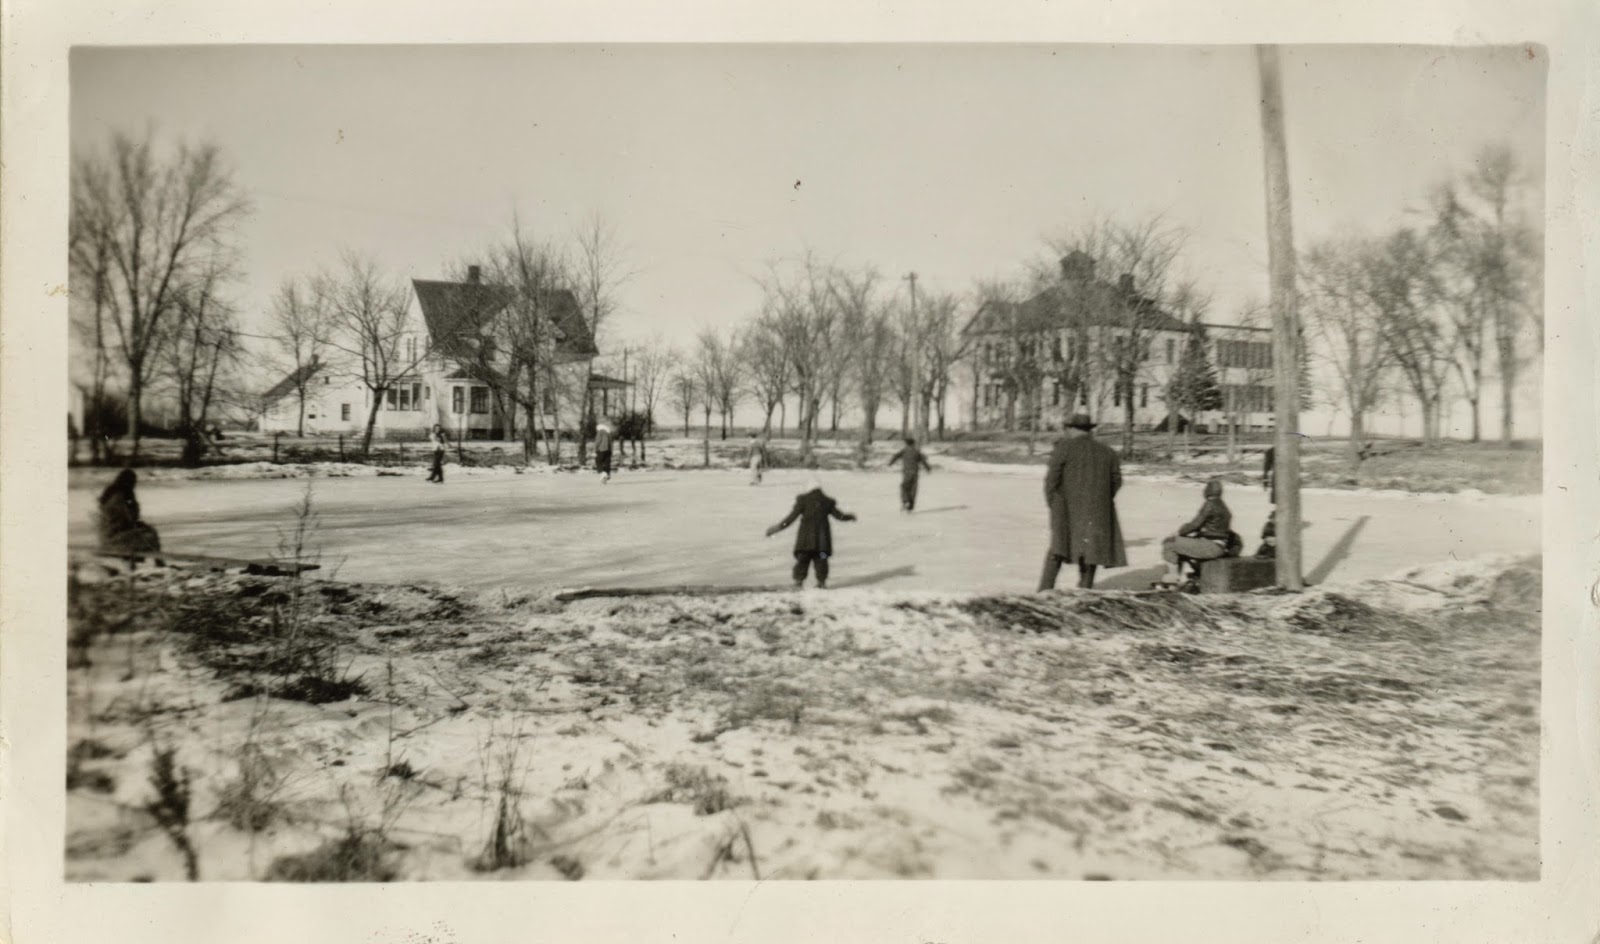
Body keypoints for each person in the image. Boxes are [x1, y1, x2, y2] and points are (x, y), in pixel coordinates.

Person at [1039, 413, 1126, 591]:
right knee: (1091, 550)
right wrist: (1101, 499)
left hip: (1066, 509)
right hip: (1097, 510)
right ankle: (1085, 590)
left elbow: (1051, 482)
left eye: (1067, 428)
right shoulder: (1107, 452)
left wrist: (1054, 504)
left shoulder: (1063, 448)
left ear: (1071, 429)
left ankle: (1044, 591)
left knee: (1058, 547)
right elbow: (1116, 481)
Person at [765, 461, 858, 590]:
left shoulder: (803, 500)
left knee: (803, 560)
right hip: (823, 541)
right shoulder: (827, 502)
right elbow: (839, 516)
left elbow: (791, 518)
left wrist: (777, 528)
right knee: (822, 559)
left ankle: (798, 582)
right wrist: (850, 517)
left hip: (805, 540)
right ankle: (822, 582)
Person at [1156, 479, 1240, 589]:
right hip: (1218, 546)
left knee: (1170, 543)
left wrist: (1179, 532)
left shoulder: (1210, 504)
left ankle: (1172, 580)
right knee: (1181, 546)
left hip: (1210, 545)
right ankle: (1175, 580)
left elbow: (1195, 524)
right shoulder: (1223, 507)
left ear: (1207, 491)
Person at [97, 469, 161, 554]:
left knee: (148, 532)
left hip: (112, 532)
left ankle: (157, 560)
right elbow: (129, 518)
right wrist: (134, 506)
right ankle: (158, 561)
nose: (134, 485)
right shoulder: (118, 498)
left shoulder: (113, 494)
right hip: (114, 535)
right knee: (150, 534)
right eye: (133, 482)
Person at [887, 437, 933, 512]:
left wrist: (890, 463)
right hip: (915, 473)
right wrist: (928, 469)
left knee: (904, 487)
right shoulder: (917, 451)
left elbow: (896, 456)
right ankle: (910, 506)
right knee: (913, 489)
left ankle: (905, 501)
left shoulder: (904, 450)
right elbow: (923, 461)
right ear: (913, 443)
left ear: (906, 443)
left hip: (907, 472)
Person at [595, 415, 615, 484]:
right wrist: (611, 450)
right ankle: (607, 474)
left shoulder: (600, 431)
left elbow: (598, 441)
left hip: (601, 449)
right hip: (608, 450)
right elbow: (611, 442)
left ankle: (603, 473)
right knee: (607, 463)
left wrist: (596, 448)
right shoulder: (609, 432)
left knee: (598, 461)